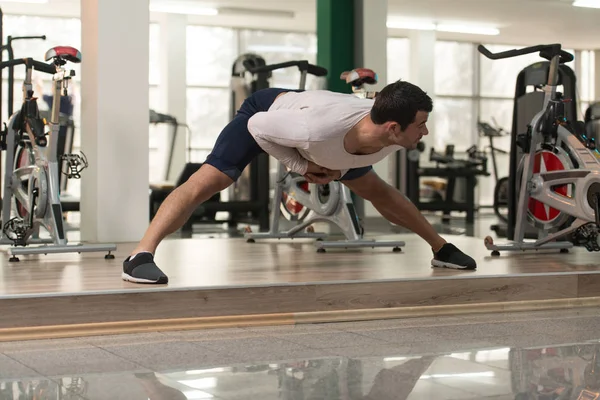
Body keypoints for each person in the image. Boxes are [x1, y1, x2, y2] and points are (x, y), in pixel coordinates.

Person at [122, 80, 477, 284]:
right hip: (267, 114)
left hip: (324, 135)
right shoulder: (316, 130)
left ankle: (440, 248)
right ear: (393, 128)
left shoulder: (385, 137)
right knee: (210, 181)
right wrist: (300, 164)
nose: (426, 132)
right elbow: (257, 126)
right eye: (421, 125)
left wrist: (336, 172)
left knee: (380, 192)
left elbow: (355, 160)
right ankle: (140, 256)